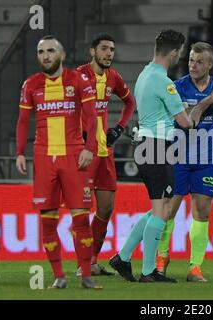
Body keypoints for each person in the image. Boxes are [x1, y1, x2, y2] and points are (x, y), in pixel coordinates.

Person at [108, 29, 213, 283]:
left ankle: (122, 258)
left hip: (146, 144)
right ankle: (146, 272)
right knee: (162, 210)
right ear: (175, 52)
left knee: (161, 207)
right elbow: (185, 122)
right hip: (156, 146)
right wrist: (203, 104)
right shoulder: (164, 82)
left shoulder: (146, 74)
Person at [156, 41, 213, 282]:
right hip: (177, 158)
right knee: (168, 211)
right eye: (190, 60)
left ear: (210, 64)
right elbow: (186, 120)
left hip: (206, 159)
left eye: (199, 61)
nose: (193, 65)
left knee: (202, 212)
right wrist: (209, 100)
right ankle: (161, 259)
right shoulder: (177, 87)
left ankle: (195, 267)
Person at [16, 35, 102, 289]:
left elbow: (91, 116)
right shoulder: (30, 84)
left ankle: (86, 276)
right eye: (41, 52)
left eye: (51, 51)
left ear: (62, 55)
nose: (45, 56)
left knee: (81, 219)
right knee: (48, 220)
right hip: (43, 157)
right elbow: (22, 122)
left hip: (74, 155)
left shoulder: (78, 80)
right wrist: (20, 152)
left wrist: (89, 148)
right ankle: (59, 277)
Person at [75, 33, 136, 276]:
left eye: (111, 49)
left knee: (106, 208)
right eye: (104, 48)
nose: (109, 53)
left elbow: (130, 103)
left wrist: (119, 128)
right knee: (82, 208)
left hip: (104, 151)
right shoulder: (77, 77)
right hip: (83, 153)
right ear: (92, 51)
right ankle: (83, 265)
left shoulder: (114, 77)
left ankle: (91, 262)